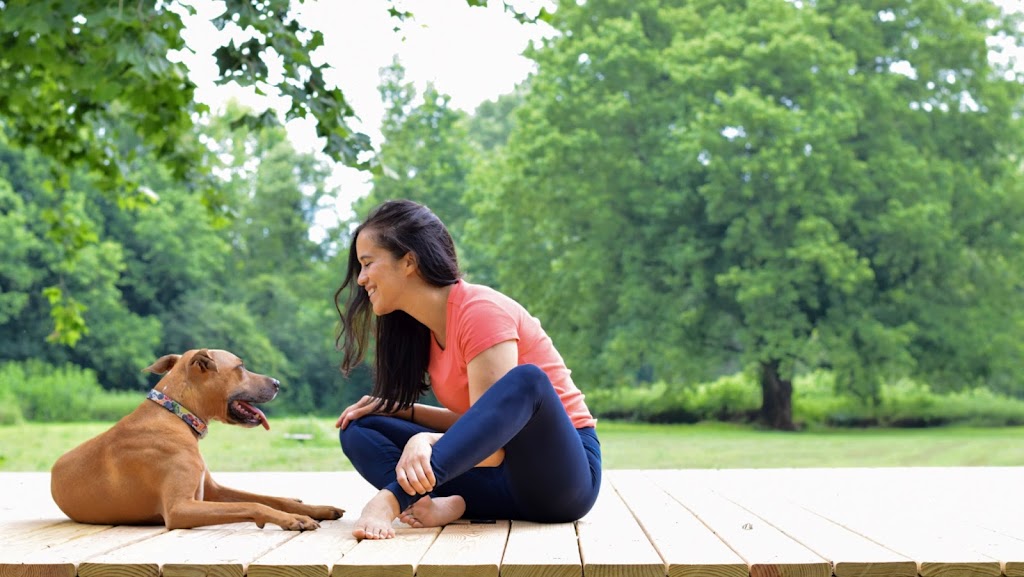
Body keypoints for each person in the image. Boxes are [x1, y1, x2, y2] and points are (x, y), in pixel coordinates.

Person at [334, 199, 602, 540]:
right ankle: (445, 503)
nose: (361, 279)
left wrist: (426, 439)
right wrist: (404, 411)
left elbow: (493, 447)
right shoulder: (424, 332)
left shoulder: (480, 311)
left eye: (368, 263)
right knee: (361, 426)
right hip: (498, 481)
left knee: (529, 380)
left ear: (409, 261)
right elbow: (481, 426)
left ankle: (394, 500)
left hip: (560, 479)